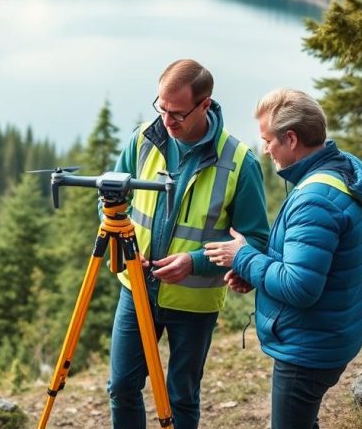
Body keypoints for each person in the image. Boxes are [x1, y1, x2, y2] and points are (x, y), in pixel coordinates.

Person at [204, 88, 362, 429]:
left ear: (291, 139)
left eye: (268, 140)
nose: (265, 149)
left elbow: (300, 286)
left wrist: (242, 257)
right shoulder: (337, 174)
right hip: (327, 335)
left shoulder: (315, 198)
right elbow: (307, 263)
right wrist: (252, 269)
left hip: (308, 348)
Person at [108, 59, 270, 429]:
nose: (167, 121)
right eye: (161, 108)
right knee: (121, 387)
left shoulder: (239, 162)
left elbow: (256, 239)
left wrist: (195, 261)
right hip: (136, 290)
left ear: (205, 104)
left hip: (194, 300)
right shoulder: (142, 140)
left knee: (181, 395)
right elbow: (113, 202)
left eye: (178, 113)